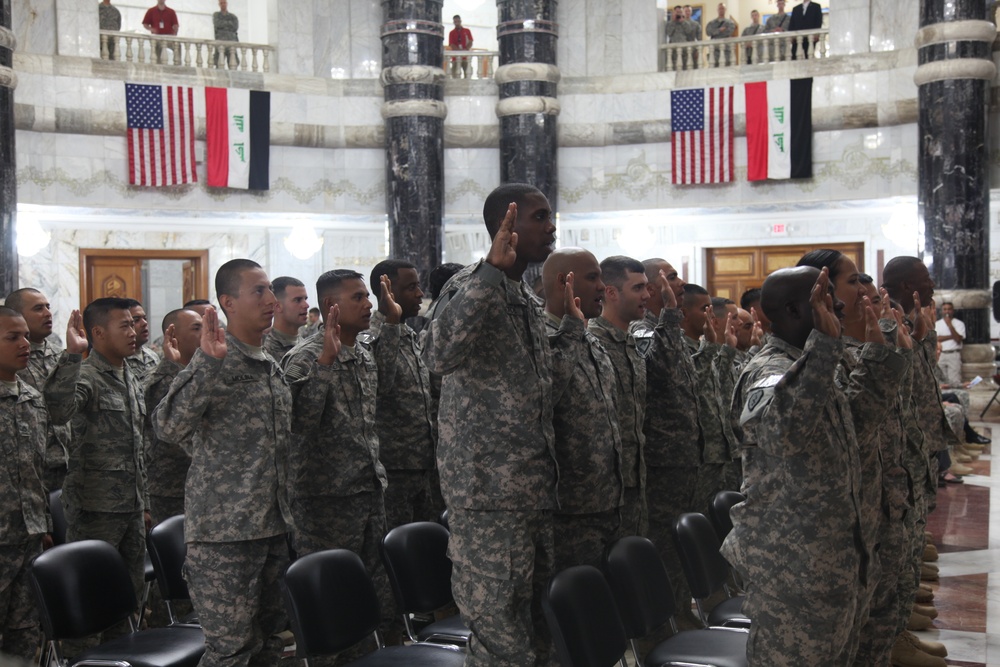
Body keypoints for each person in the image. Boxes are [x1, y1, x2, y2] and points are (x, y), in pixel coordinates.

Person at [422, 183, 580, 666]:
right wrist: (490, 271)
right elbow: (437, 353)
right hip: (488, 497)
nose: (551, 226)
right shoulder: (473, 284)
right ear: (505, 226)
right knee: (500, 637)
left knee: (538, 629)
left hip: (531, 493)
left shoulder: (525, 301)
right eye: (540, 216)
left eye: (551, 215)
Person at [722, 266, 907, 665]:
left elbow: (855, 428)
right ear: (792, 310)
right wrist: (824, 347)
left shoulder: (815, 364)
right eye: (825, 299)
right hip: (794, 571)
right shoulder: (766, 371)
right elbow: (783, 435)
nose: (840, 304)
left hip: (836, 559)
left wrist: (879, 362)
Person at [153, 259, 292, 667]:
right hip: (224, 536)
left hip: (272, 526)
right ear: (227, 302)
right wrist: (207, 364)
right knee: (230, 652)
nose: (271, 300)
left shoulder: (268, 362)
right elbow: (168, 426)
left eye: (270, 290)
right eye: (259, 292)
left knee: (269, 643)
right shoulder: (214, 359)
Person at [283, 269, 397, 646]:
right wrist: (325, 367)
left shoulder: (363, 352)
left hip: (367, 491)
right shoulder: (304, 358)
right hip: (325, 502)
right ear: (331, 305)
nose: (368, 304)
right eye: (358, 298)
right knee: (332, 600)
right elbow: (299, 426)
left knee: (375, 592)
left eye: (367, 296)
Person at [44, 299, 150, 643]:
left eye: (133, 325)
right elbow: (58, 411)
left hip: (130, 507)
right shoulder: (87, 375)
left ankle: (123, 656)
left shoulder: (128, 373)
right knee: (92, 600)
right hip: (95, 509)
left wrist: (144, 502)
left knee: (126, 598)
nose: (133, 332)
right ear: (98, 333)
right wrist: (73, 355)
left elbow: (137, 447)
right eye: (124, 326)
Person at [632, 258, 705, 630]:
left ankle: (678, 610)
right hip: (661, 463)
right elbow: (662, 370)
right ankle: (660, 627)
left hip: (682, 461)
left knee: (677, 549)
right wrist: (671, 319)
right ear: (650, 286)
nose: (679, 283)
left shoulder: (667, 330)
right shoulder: (643, 330)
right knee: (660, 547)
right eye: (671, 277)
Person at [541, 248, 623, 570]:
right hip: (569, 508)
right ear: (565, 282)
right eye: (593, 278)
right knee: (576, 605)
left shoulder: (589, 339)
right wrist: (572, 333)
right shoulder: (541, 339)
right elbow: (545, 397)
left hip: (606, 500)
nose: (602, 287)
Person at [364, 260, 438, 530]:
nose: (420, 294)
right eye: (411, 287)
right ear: (388, 293)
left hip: (422, 464)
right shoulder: (368, 337)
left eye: (418, 286)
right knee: (394, 548)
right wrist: (391, 324)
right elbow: (380, 384)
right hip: (393, 468)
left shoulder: (410, 334)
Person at [0, 306, 52, 661]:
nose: (25, 343)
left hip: (28, 539)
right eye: (12, 337)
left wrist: (43, 523)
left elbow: (37, 470)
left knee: (26, 635)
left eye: (25, 336)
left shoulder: (32, 399)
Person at [588, 256, 648, 537]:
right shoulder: (593, 342)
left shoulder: (631, 343)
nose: (647, 295)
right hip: (602, 491)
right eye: (637, 288)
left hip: (635, 481)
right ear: (611, 293)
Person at [4, 288, 71, 491]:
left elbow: (65, 411)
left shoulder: (61, 356)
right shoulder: (12, 363)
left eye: (48, 307)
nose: (48, 313)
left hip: (64, 467)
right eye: (38, 308)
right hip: (25, 477)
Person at [144, 308, 201, 524]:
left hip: (202, 482)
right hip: (169, 487)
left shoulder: (205, 373)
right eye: (197, 328)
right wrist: (172, 365)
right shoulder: (159, 378)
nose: (204, 332)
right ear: (173, 336)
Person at [262, 276, 308, 363]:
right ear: (278, 306)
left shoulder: (307, 345)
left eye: (305, 299)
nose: (306, 305)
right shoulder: (265, 349)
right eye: (298, 300)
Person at [125, 299, 160, 385]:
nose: (144, 323)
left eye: (145, 318)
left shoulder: (152, 355)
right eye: (136, 320)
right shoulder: (119, 359)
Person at [935, 302, 965, 386]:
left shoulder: (959, 324)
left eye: (949, 309)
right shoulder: (937, 324)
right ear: (942, 311)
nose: (947, 311)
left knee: (954, 381)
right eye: (945, 309)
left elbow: (958, 339)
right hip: (941, 354)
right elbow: (936, 338)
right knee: (941, 381)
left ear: (953, 311)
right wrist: (952, 336)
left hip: (953, 354)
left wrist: (950, 325)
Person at [213, 0, 240, 68]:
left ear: (226, 4)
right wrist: (228, 25)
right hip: (220, 41)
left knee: (233, 64)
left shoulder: (233, 17)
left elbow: (235, 26)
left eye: (224, 3)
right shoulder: (216, 15)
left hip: (231, 41)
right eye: (221, 3)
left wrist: (224, 25)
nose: (223, 4)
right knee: (219, 63)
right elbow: (218, 24)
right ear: (219, 4)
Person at [448, 15, 474, 79]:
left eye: (458, 21)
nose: (456, 23)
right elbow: (451, 44)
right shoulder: (451, 33)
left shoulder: (467, 31)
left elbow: (470, 41)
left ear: (460, 21)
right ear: (453, 22)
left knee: (468, 74)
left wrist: (466, 49)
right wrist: (459, 51)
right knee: (454, 74)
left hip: (466, 57)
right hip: (455, 57)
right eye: (455, 21)